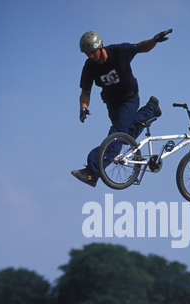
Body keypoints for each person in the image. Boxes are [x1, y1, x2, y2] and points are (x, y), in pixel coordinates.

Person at [71, 28, 172, 187]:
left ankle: (92, 171)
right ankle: (150, 109)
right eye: (87, 53)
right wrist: (83, 108)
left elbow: (141, 47)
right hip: (112, 104)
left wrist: (154, 40)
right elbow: (85, 92)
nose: (90, 56)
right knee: (125, 138)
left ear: (100, 47)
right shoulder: (89, 66)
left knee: (116, 137)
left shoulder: (120, 51)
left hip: (129, 99)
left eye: (92, 52)